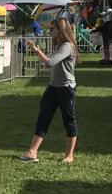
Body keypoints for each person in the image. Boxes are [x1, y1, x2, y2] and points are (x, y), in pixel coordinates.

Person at [22, 18, 78, 163]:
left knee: (68, 120)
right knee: (43, 117)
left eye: (52, 28)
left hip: (66, 88)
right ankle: (32, 152)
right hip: (53, 87)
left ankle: (69, 155)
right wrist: (37, 50)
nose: (49, 31)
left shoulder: (67, 46)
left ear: (61, 30)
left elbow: (50, 62)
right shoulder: (59, 44)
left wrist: (37, 50)